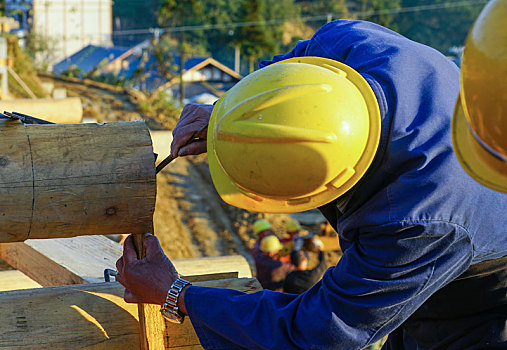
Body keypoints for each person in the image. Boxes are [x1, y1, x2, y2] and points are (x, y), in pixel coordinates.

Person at [116, 17, 507, 349]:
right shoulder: (346, 45)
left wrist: (177, 294)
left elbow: (320, 332)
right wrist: (231, 114)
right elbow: (283, 78)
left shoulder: (415, 222)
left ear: (331, 189)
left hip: (481, 299)